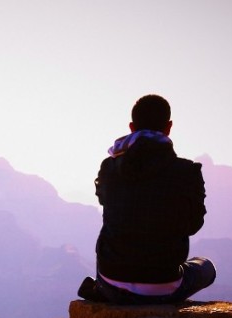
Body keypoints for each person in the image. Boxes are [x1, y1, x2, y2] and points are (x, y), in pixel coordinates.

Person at [78, 94, 216, 305]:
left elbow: (107, 202)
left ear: (132, 127)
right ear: (169, 127)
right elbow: (194, 224)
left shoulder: (109, 167)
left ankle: (103, 290)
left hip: (111, 282)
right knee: (206, 267)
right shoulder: (188, 171)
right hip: (163, 284)